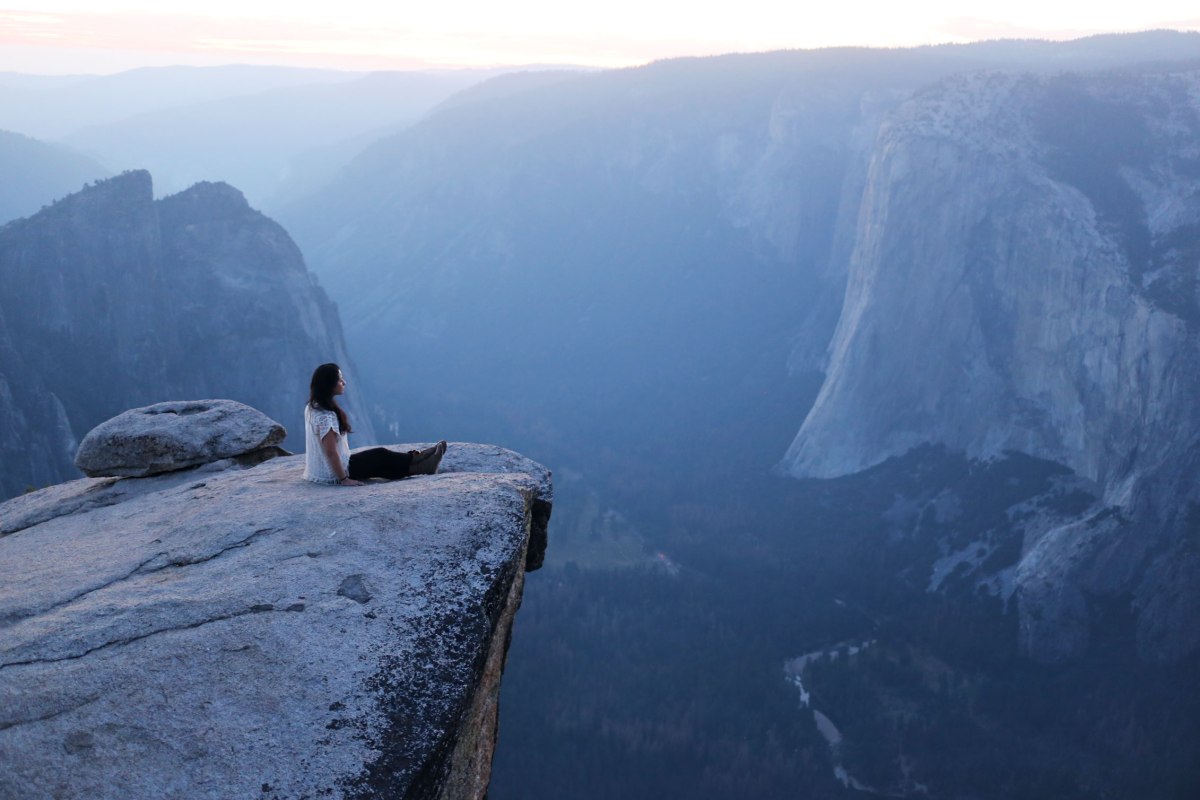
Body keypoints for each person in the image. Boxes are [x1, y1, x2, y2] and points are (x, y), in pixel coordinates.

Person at [303, 362, 447, 486]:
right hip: (332, 473)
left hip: (322, 470)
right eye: (340, 380)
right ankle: (418, 458)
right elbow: (330, 451)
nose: (344, 382)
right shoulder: (325, 416)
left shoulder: (313, 406)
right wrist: (343, 479)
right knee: (380, 455)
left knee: (380, 467)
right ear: (329, 385)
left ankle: (422, 467)